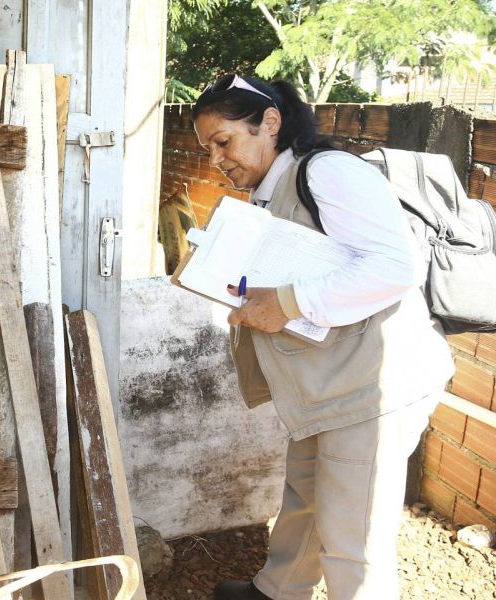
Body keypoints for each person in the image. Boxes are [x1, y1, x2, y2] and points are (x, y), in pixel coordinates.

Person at [192, 74, 454, 600]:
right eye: (208, 149)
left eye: (224, 141)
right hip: (330, 384)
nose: (217, 160)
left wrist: (285, 303)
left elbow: (394, 267)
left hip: (373, 387)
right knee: (308, 497)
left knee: (352, 539)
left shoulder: (327, 172)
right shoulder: (271, 193)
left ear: (270, 122)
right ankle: (277, 590)